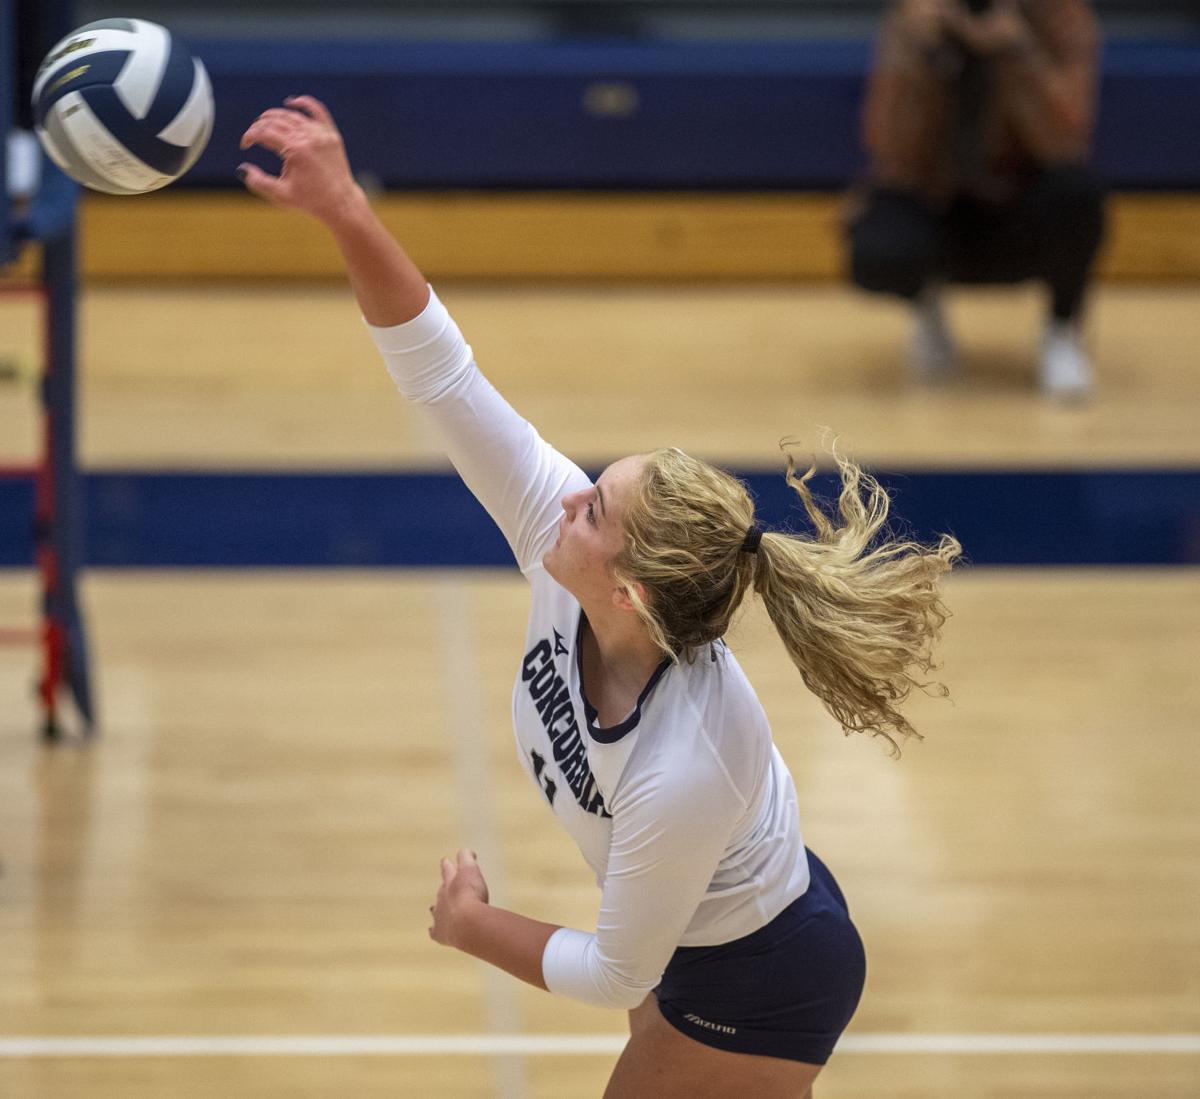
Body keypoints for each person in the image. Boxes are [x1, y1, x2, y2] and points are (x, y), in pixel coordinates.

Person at [239, 96, 961, 1098]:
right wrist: (348, 213)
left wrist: (475, 926)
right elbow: (442, 377)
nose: (567, 495)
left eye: (595, 508)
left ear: (628, 589)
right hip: (704, 934)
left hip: (760, 971)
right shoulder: (561, 542)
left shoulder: (689, 755)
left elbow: (617, 968)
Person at [847, 0, 1106, 400]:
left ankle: (1062, 331)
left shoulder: (1059, 14)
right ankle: (925, 304)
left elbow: (1066, 147)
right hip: (940, 204)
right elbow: (889, 156)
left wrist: (1017, 53)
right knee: (881, 243)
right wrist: (922, 62)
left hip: (1017, 207)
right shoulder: (916, 18)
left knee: (1077, 195)